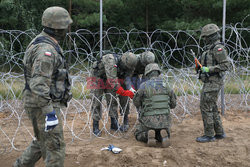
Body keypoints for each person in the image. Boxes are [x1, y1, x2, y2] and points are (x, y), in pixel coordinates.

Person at [13, 6, 73, 167]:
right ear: (58, 28)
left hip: (39, 102)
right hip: (43, 105)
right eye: (65, 26)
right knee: (55, 148)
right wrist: (50, 114)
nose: (67, 29)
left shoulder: (44, 41)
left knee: (41, 142)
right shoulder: (46, 50)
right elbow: (39, 85)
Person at [196, 23, 231, 143]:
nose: (205, 39)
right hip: (210, 82)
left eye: (206, 37)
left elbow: (225, 65)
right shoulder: (210, 48)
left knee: (205, 107)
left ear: (211, 36)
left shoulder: (218, 48)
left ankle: (209, 134)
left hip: (213, 82)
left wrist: (209, 69)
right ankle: (219, 132)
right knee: (212, 107)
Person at [90, 52, 137, 136]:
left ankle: (114, 124)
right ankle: (95, 126)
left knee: (112, 99)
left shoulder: (131, 64)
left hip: (111, 79)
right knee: (96, 101)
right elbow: (113, 81)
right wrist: (123, 92)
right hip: (97, 77)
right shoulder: (111, 60)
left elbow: (127, 78)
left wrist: (131, 90)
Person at [133, 63, 176, 147]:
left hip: (148, 120)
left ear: (147, 74)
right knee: (165, 132)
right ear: (158, 73)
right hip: (164, 120)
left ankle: (147, 134)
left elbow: (136, 103)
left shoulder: (143, 86)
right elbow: (173, 105)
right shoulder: (167, 85)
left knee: (137, 133)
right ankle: (161, 135)